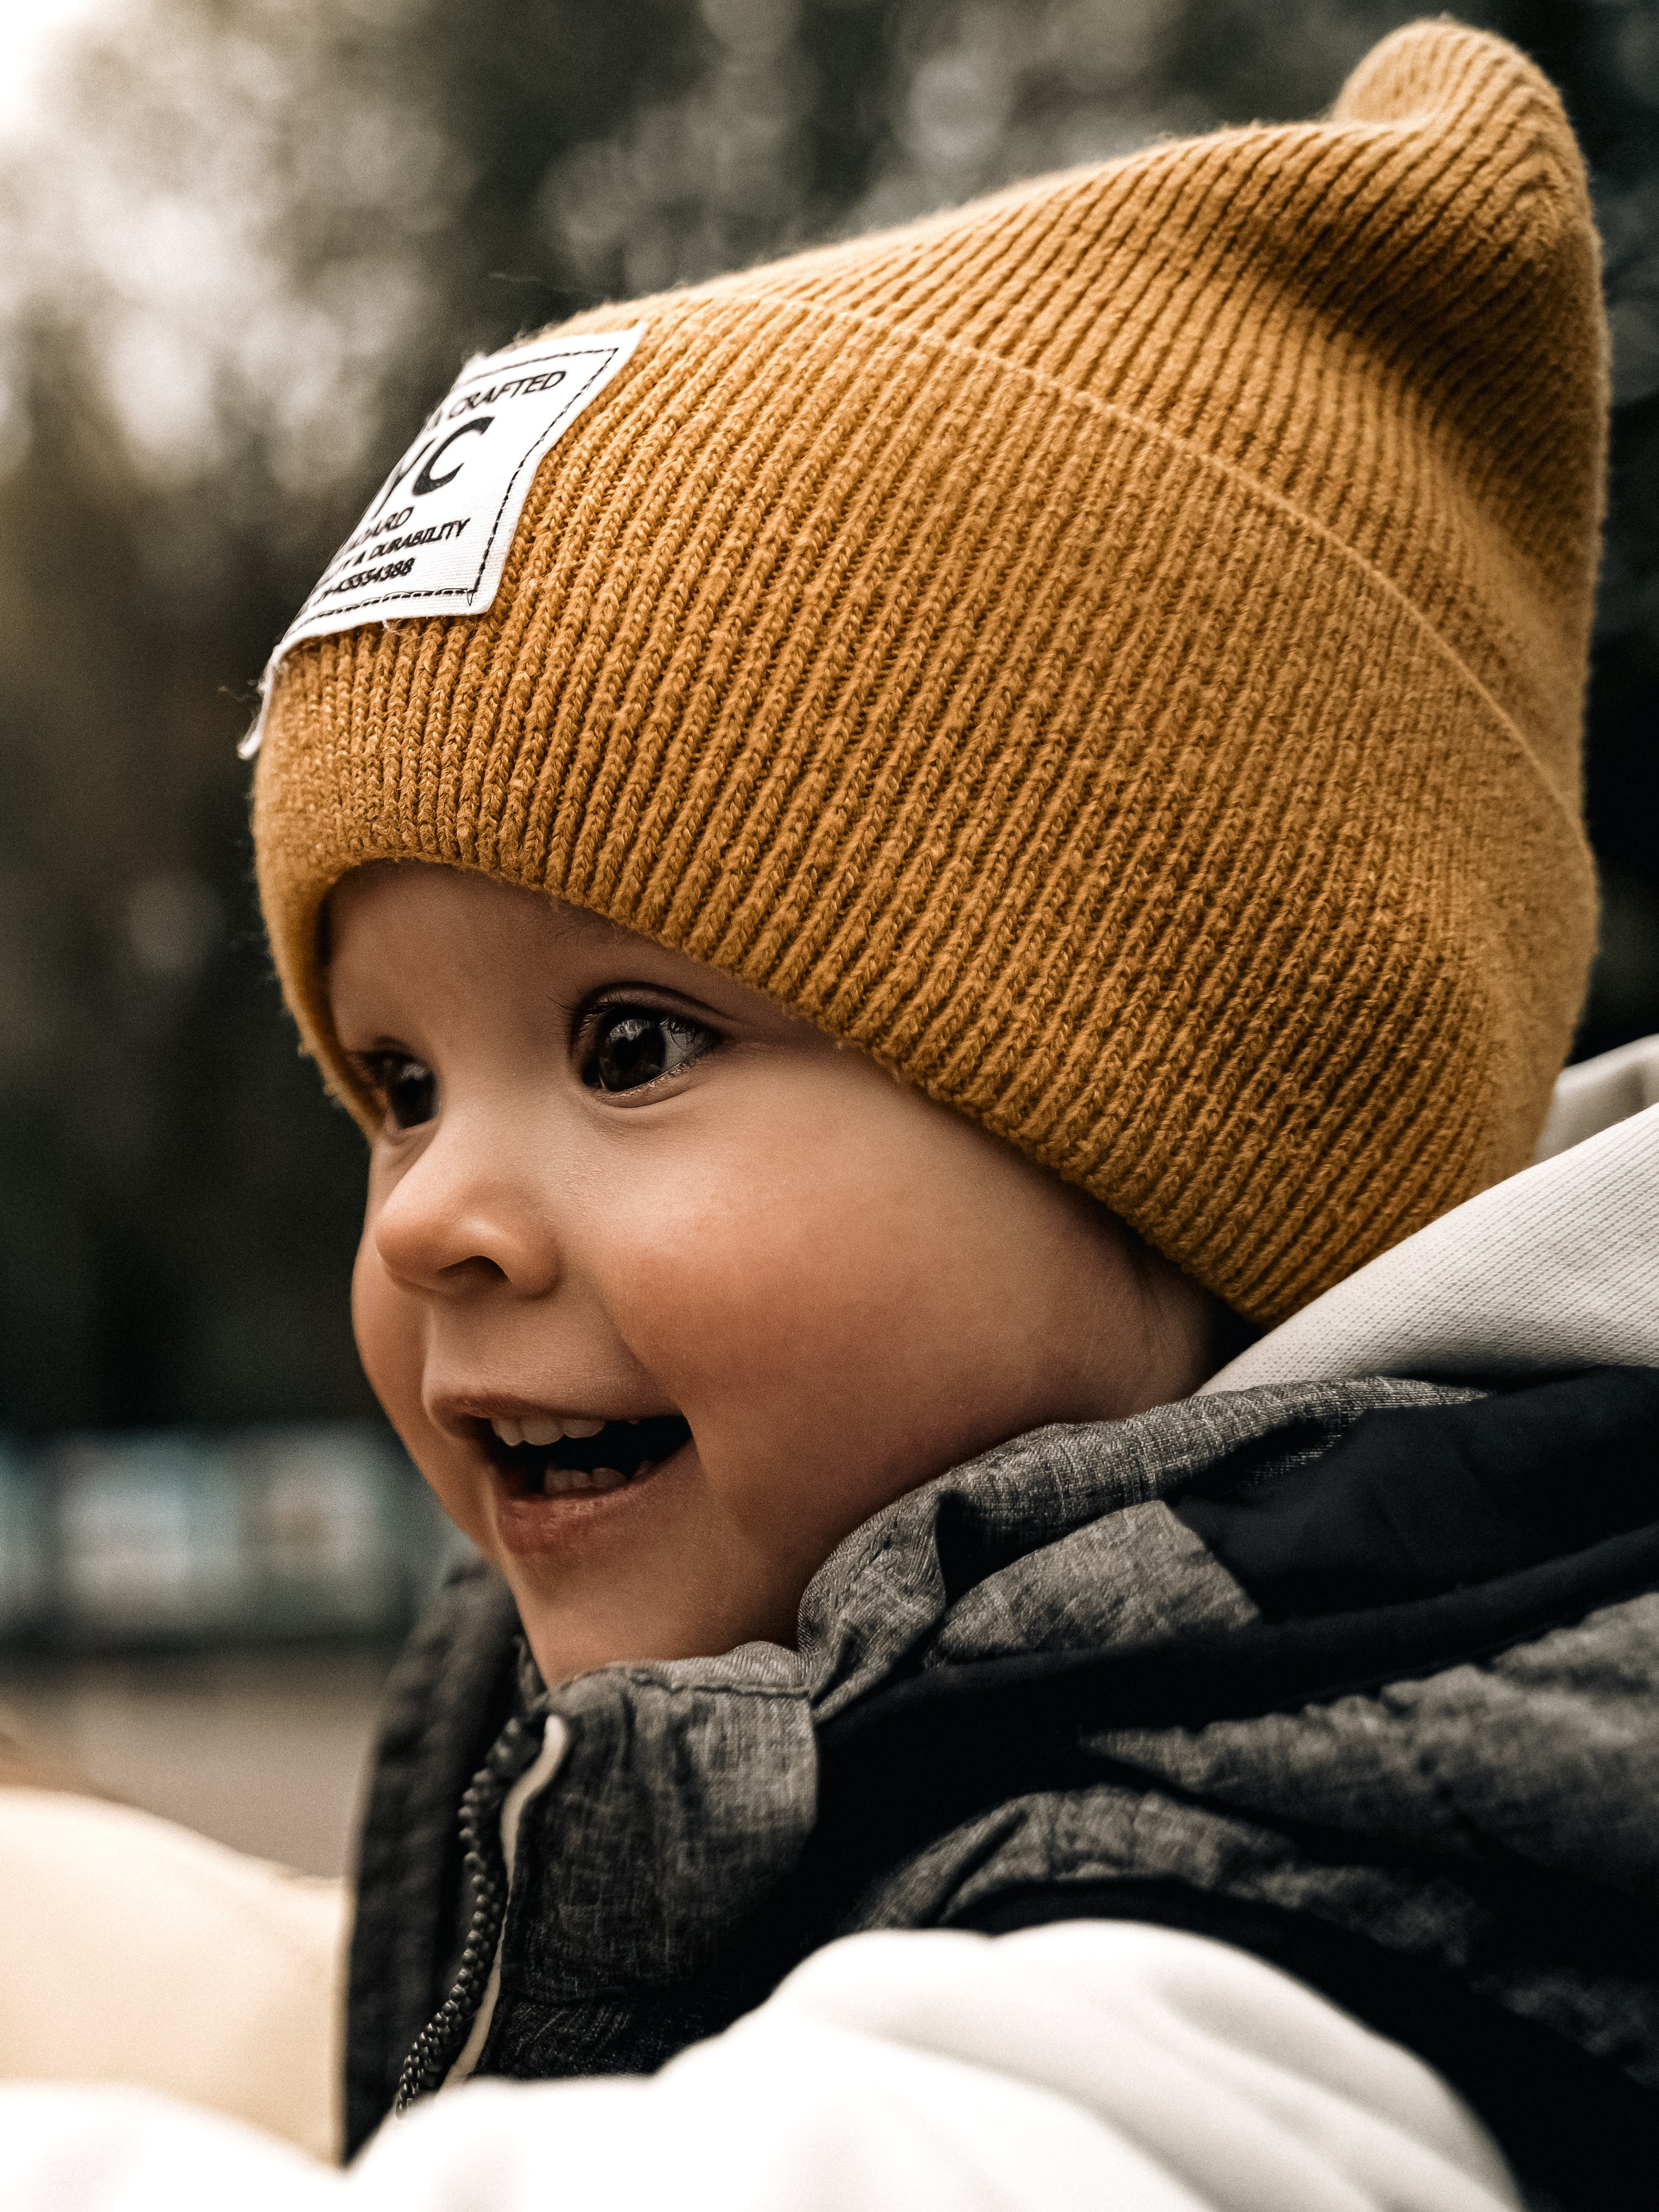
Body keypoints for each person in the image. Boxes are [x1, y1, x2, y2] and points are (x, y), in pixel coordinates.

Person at [5, 16, 1658, 2208]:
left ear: (1190, 1114)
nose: (424, 1221)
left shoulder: (1379, 1831)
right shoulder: (720, 1719)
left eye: (628, 1047)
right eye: (397, 1086)